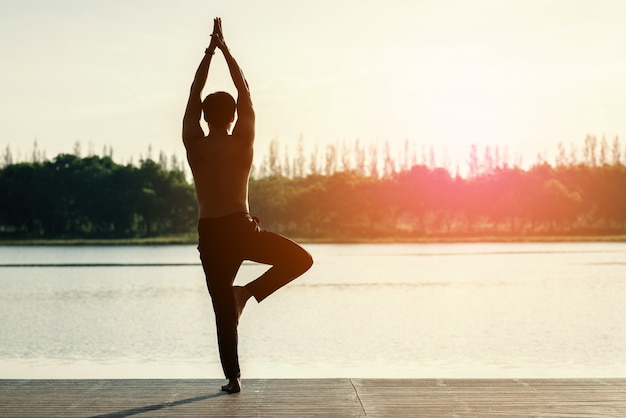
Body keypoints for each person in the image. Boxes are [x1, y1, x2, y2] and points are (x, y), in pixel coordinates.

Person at [182, 18, 313, 394]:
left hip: (213, 233)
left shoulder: (195, 144)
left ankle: (233, 378)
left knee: (223, 307)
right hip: (242, 228)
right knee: (300, 260)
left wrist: (208, 53)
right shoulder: (243, 143)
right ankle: (249, 293)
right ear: (235, 116)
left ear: (205, 118)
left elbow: (194, 92)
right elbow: (245, 90)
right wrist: (226, 51)